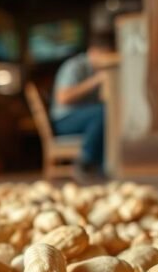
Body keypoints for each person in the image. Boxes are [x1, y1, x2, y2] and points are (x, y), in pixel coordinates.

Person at [50, 31, 120, 175]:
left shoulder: (98, 70)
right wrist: (96, 81)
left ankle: (104, 167)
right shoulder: (74, 66)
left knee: (110, 113)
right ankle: (86, 161)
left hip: (87, 118)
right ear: (93, 52)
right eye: (105, 55)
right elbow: (63, 98)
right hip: (64, 120)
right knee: (103, 113)